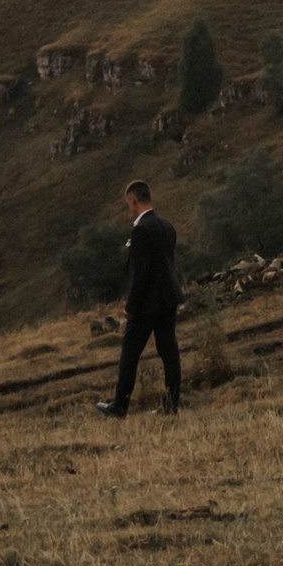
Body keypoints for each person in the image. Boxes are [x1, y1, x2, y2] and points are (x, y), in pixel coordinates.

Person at [96, 178, 182, 418]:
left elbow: (139, 272)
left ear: (134, 201)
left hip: (146, 304)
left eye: (128, 204)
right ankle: (172, 405)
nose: (128, 209)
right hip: (168, 298)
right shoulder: (167, 226)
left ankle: (119, 405)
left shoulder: (140, 230)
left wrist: (130, 306)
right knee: (169, 352)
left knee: (129, 353)